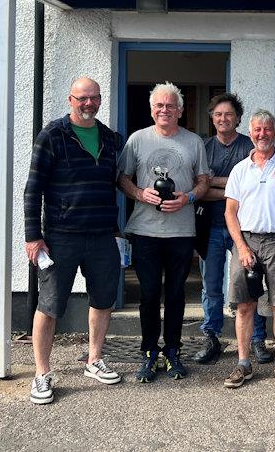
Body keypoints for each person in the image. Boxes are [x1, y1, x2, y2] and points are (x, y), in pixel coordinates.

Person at [23, 77, 123, 404]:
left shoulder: (110, 138)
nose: (89, 103)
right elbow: (33, 189)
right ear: (71, 99)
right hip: (60, 237)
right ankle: (41, 373)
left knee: (103, 299)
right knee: (50, 305)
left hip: (102, 235)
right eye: (82, 98)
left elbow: (116, 183)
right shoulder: (52, 136)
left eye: (94, 98)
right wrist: (33, 237)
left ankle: (94, 359)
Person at [117, 82, 210, 382]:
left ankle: (173, 351)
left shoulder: (194, 141)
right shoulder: (137, 140)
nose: (164, 110)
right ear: (151, 109)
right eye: (159, 105)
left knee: (175, 295)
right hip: (145, 231)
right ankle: (148, 352)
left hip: (182, 232)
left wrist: (188, 198)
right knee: (148, 295)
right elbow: (122, 178)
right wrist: (140, 194)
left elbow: (204, 181)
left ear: (180, 111)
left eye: (170, 106)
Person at [223, 110, 275, 390]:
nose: (262, 134)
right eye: (257, 130)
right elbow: (230, 213)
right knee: (245, 307)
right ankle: (243, 364)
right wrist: (242, 247)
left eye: (267, 129)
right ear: (251, 133)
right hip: (247, 242)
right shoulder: (239, 170)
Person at [192, 93, 274, 365]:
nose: (223, 118)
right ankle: (212, 336)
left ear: (238, 118)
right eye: (218, 114)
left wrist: (213, 182)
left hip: (245, 230)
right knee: (211, 285)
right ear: (212, 118)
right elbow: (198, 189)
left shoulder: (247, 146)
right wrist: (228, 188)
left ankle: (258, 339)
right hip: (211, 226)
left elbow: (251, 189)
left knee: (252, 285)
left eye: (228, 114)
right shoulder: (203, 148)